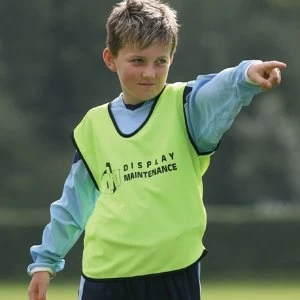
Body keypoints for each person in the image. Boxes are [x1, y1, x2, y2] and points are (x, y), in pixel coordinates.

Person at [27, 0, 286, 299]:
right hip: (106, 278)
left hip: (175, 274)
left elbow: (218, 89)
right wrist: (46, 261)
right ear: (111, 59)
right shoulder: (93, 126)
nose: (149, 73)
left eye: (160, 61)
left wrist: (246, 74)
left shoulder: (188, 108)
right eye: (137, 61)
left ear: (171, 59)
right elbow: (73, 204)